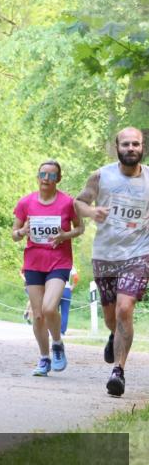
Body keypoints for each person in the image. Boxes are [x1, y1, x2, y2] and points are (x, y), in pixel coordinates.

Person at [74, 127, 148, 397]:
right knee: (111, 318)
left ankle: (118, 370)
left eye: (136, 144)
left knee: (125, 308)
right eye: (126, 144)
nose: (131, 148)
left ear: (142, 147)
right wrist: (93, 211)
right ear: (117, 146)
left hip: (139, 253)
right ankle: (113, 336)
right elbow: (78, 203)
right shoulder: (101, 176)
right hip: (105, 255)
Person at [11, 161, 84, 376]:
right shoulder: (25, 203)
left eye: (51, 175)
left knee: (49, 308)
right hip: (33, 262)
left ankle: (58, 344)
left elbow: (80, 228)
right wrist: (22, 230)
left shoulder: (68, 203)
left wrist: (64, 235)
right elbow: (14, 234)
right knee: (38, 315)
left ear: (58, 179)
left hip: (59, 261)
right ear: (37, 176)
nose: (46, 178)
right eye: (43, 174)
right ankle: (44, 358)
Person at [60, 267, 80, 335]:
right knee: (65, 312)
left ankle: (54, 330)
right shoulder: (70, 265)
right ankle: (62, 331)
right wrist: (72, 286)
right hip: (66, 289)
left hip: (56, 288)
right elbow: (76, 277)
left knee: (53, 311)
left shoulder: (55, 261)